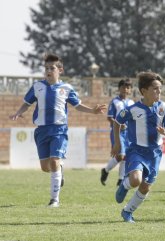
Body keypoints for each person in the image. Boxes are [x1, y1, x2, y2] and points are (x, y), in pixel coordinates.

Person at [9, 53, 106, 207]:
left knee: (54, 161)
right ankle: (60, 170)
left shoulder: (66, 88)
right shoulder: (37, 87)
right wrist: (18, 113)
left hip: (59, 129)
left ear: (60, 70)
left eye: (52, 68)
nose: (48, 70)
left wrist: (92, 111)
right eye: (46, 68)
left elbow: (77, 105)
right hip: (41, 130)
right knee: (45, 167)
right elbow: (26, 103)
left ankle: (54, 200)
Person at [112, 71, 165, 223]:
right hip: (136, 151)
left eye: (160, 88)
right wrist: (118, 143)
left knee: (145, 187)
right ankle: (124, 186)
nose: (158, 92)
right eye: (155, 88)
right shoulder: (133, 109)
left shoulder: (164, 108)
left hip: (154, 153)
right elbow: (117, 121)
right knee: (135, 180)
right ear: (144, 91)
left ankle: (127, 212)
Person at [100, 78, 134, 186]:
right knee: (121, 155)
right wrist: (119, 124)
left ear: (130, 90)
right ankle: (105, 170)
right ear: (119, 88)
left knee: (125, 156)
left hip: (128, 133)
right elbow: (110, 117)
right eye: (123, 87)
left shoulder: (132, 103)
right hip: (117, 132)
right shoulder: (114, 102)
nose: (125, 89)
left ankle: (120, 180)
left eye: (128, 87)